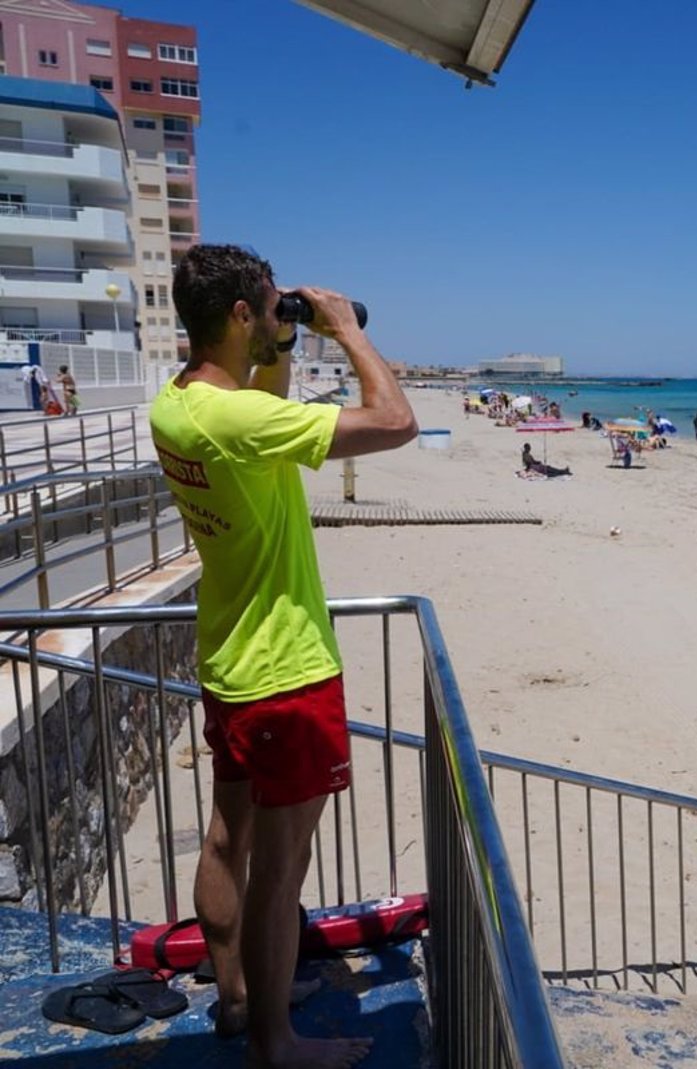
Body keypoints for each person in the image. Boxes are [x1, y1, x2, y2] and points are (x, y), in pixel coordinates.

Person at [150, 244, 416, 1069]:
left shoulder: (181, 404)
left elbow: (260, 409)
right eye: (270, 307)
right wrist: (345, 331)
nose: (280, 315)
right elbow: (395, 421)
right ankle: (275, 1042)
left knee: (226, 839)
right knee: (281, 866)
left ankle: (239, 999)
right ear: (240, 315)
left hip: (229, 657)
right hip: (285, 672)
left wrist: (285, 339)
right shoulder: (237, 422)